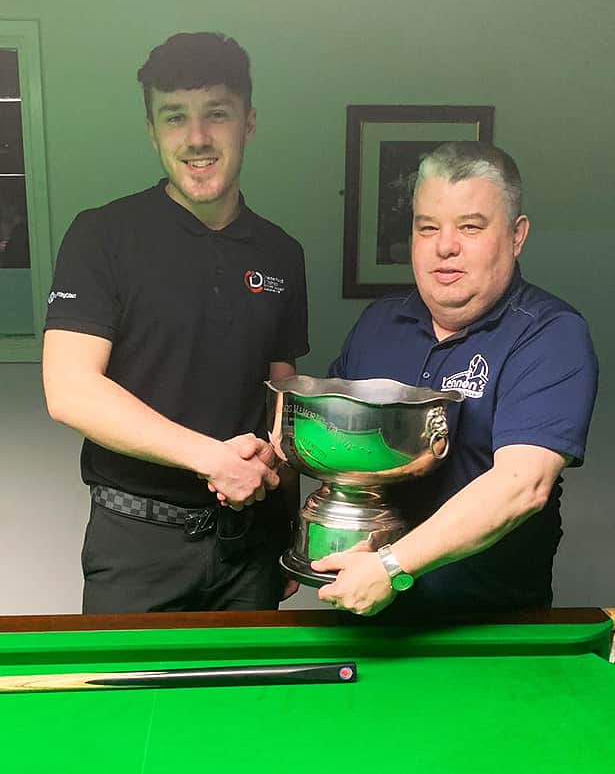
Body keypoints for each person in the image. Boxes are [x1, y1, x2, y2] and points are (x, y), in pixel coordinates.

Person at [43, 32, 309, 613]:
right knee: (132, 706)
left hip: (249, 544)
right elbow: (70, 391)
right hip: (138, 548)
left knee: (250, 704)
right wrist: (211, 458)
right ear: (152, 131)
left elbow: (281, 398)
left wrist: (290, 529)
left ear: (249, 122)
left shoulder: (280, 253)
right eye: (174, 117)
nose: (197, 138)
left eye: (217, 113)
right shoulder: (102, 237)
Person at [313, 141, 597, 617]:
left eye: (470, 226)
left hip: (488, 633)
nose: (445, 246)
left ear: (516, 235)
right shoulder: (377, 324)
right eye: (428, 228)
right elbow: (332, 439)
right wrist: (266, 454)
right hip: (366, 619)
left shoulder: (551, 334)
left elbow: (520, 485)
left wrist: (390, 566)